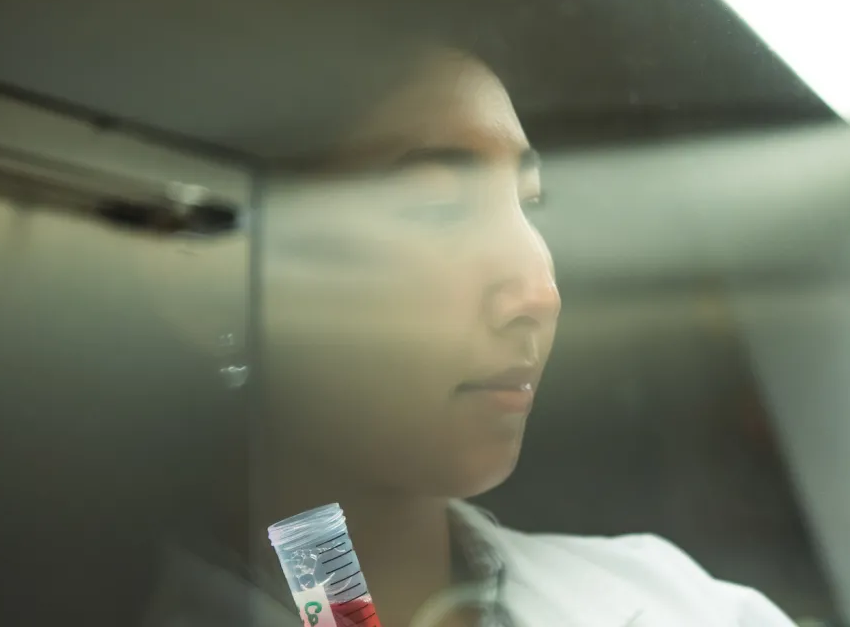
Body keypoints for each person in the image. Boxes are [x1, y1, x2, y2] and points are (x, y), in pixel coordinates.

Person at [144, 43, 796, 627]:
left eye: (529, 201)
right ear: (211, 286)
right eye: (437, 204)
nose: (540, 294)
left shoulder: (678, 603)